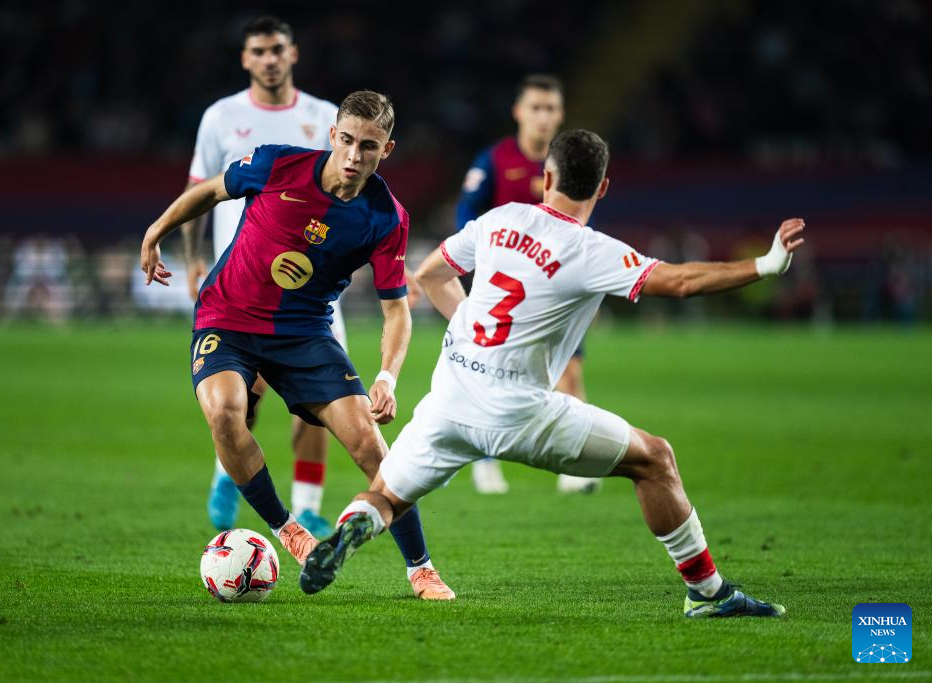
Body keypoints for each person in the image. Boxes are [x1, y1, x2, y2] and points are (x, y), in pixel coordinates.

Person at [299, 129, 802, 617]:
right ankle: (708, 593)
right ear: (602, 188)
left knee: (386, 495)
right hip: (520, 412)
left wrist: (472, 327)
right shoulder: (593, 251)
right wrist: (766, 264)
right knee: (655, 459)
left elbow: (430, 274)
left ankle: (350, 529)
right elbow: (683, 282)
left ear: (547, 177)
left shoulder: (500, 219)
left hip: (449, 400)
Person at [141, 90, 455, 601]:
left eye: (369, 147)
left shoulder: (386, 217)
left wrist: (387, 376)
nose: (355, 156)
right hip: (228, 320)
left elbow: (396, 308)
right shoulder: (275, 164)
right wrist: (157, 231)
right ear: (332, 135)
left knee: (375, 451)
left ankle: (421, 568)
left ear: (387, 150)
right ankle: (287, 528)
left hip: (306, 335)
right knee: (225, 413)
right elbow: (210, 191)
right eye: (348, 141)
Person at [182, 17, 344, 536]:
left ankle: (310, 503)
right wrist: (192, 259)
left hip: (310, 284)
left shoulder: (323, 117)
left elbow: (345, 192)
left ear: (293, 53)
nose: (270, 58)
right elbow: (199, 191)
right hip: (243, 282)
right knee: (243, 396)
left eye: (278, 49)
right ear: (246, 59)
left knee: (318, 400)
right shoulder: (221, 117)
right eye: (259, 51)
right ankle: (228, 475)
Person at [456, 74, 597, 495]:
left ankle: (573, 468)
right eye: (535, 107)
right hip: (505, 293)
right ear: (519, 112)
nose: (543, 117)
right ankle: (484, 461)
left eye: (551, 108)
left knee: (569, 373)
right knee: (493, 375)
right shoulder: (494, 160)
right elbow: (466, 214)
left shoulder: (570, 161)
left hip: (557, 291)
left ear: (561, 114)